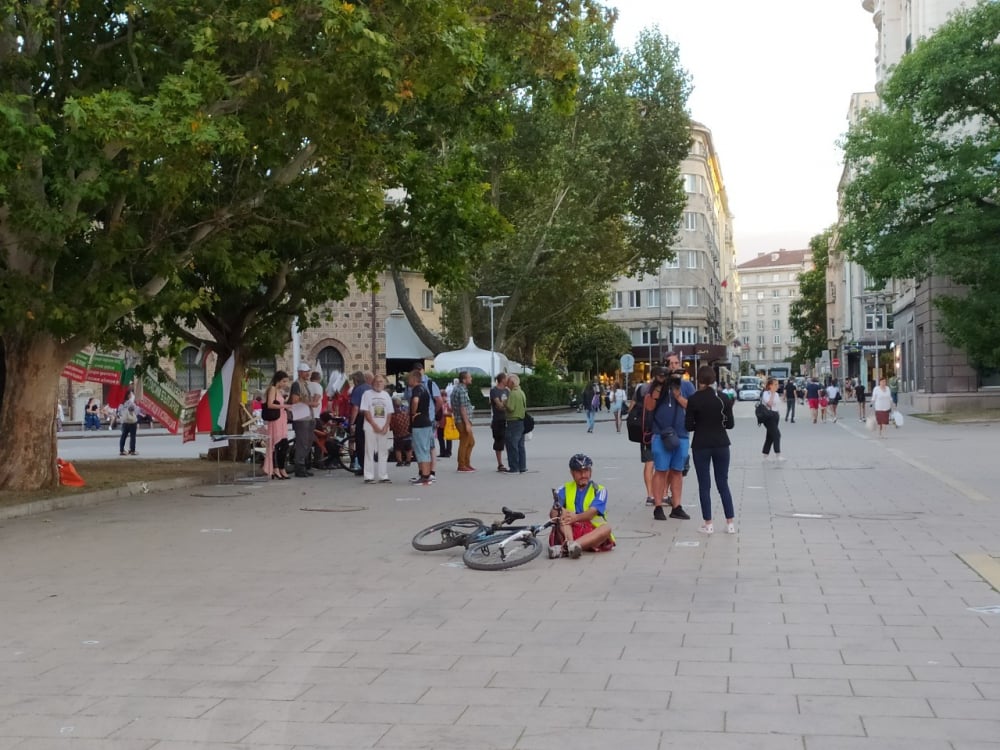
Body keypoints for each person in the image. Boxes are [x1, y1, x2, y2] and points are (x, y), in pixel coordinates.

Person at [685, 366, 736, 535]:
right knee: (723, 483)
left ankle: (708, 524)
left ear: (699, 380)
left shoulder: (693, 399)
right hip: (721, 443)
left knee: (704, 485)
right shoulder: (723, 398)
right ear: (714, 379)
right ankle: (730, 523)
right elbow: (730, 424)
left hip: (701, 445)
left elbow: (688, 426)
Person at [648, 353, 695, 522]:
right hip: (660, 434)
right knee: (660, 470)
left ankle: (677, 506)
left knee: (677, 471)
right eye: (671, 364)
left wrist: (678, 396)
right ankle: (658, 506)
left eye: (677, 363)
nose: (674, 366)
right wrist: (659, 384)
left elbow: (692, 407)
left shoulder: (687, 386)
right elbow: (650, 406)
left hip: (681, 434)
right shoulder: (656, 385)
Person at [548, 453, 615, 559]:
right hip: (570, 530)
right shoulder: (563, 489)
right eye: (579, 472)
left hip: (592, 533)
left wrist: (576, 517)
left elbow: (592, 513)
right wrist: (559, 511)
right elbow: (553, 514)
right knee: (562, 517)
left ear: (591, 472)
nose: (583, 475)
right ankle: (571, 545)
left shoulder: (600, 490)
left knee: (607, 528)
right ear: (572, 473)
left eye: (586, 471)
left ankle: (570, 547)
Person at [360, 374, 394, 483]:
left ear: (384, 384)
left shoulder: (386, 395)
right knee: (369, 451)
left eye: (381, 381)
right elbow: (366, 411)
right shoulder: (367, 394)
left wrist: (385, 426)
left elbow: (389, 412)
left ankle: (383, 475)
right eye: (377, 381)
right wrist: (374, 425)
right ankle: (368, 475)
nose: (379, 383)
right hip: (370, 427)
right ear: (372, 383)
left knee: (383, 451)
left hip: (383, 427)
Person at [289, 363, 319, 477]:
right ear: (300, 372)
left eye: (308, 371)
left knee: (308, 441)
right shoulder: (297, 385)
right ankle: (299, 467)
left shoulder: (304, 384)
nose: (308, 373)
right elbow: (295, 400)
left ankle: (303, 465)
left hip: (308, 416)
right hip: (301, 418)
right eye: (306, 371)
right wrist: (311, 403)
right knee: (302, 442)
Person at [631, 375, 657, 507]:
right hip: (658, 429)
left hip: (645, 432)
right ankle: (663, 494)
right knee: (662, 464)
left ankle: (650, 495)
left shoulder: (641, 388)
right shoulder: (660, 388)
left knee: (649, 462)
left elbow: (632, 406)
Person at [407, 369, 435, 486]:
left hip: (419, 423)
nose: (408, 381)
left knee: (420, 449)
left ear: (414, 379)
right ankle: (425, 473)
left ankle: (425, 476)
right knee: (426, 449)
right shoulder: (425, 389)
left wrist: (413, 413)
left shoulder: (417, 390)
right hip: (427, 422)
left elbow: (415, 400)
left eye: (409, 379)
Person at [263, 371, 291, 479]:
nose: (285, 384)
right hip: (275, 420)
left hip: (281, 419)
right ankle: (275, 468)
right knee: (277, 445)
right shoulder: (273, 389)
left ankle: (280, 468)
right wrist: (284, 406)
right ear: (278, 380)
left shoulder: (279, 391)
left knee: (284, 445)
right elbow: (270, 404)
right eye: (283, 381)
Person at [450, 370, 476, 472]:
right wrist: (467, 423)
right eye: (469, 377)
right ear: (464, 380)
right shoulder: (461, 390)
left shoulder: (458, 389)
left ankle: (466, 463)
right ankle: (462, 465)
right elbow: (462, 408)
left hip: (461, 419)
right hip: (462, 420)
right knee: (465, 442)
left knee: (471, 442)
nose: (471, 378)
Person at [348, 370, 372, 474]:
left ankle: (363, 468)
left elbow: (355, 407)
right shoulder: (369, 388)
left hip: (362, 418)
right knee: (369, 443)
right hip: (372, 418)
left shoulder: (358, 389)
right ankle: (370, 466)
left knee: (360, 443)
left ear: (356, 380)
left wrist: (352, 422)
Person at [503, 373, 527, 474]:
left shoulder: (513, 393)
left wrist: (505, 403)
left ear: (512, 382)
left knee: (512, 445)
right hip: (521, 421)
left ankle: (514, 468)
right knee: (520, 445)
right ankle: (522, 466)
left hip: (513, 421)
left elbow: (511, 408)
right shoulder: (521, 392)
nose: (506, 384)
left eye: (507, 381)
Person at [760, 377, 784, 461]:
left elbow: (776, 404)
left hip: (775, 415)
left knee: (770, 435)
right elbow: (769, 404)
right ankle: (778, 454)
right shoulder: (766, 393)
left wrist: (774, 394)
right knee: (777, 434)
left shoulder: (777, 394)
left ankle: (765, 454)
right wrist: (772, 394)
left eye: (777, 384)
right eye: (775, 384)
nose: (777, 386)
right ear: (770, 385)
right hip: (768, 416)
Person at [490, 373, 510, 472]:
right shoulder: (494, 391)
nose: (508, 380)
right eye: (507, 378)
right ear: (502, 380)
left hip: (507, 419)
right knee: (499, 442)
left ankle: (511, 461)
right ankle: (500, 464)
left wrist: (503, 405)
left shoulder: (507, 391)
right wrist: (504, 405)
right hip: (498, 419)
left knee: (509, 441)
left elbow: (507, 405)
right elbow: (498, 405)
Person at [389, 394, 412, 466]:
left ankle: (400, 461)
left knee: (398, 448)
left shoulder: (393, 414)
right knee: (408, 448)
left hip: (398, 434)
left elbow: (391, 425)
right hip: (407, 433)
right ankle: (408, 461)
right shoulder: (406, 411)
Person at [117, 390, 140, 456]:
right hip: (132, 422)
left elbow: (119, 412)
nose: (131, 395)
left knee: (123, 436)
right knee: (132, 436)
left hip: (124, 422)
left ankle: (121, 450)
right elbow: (136, 411)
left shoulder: (121, 403)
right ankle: (132, 450)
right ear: (128, 395)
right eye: (131, 394)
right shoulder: (131, 403)